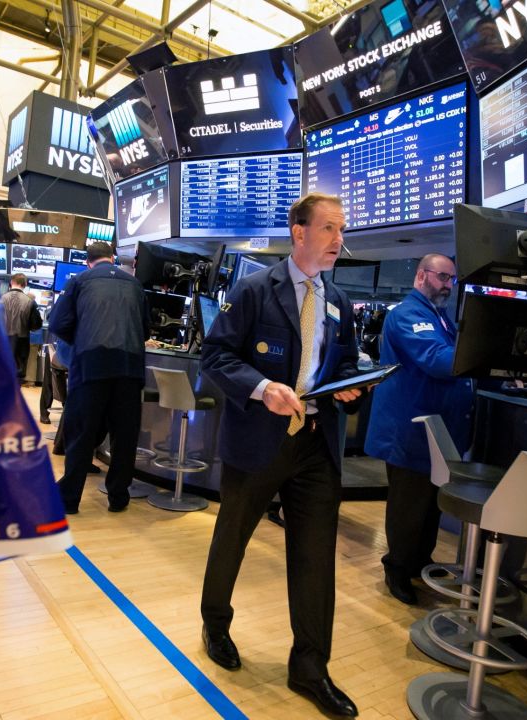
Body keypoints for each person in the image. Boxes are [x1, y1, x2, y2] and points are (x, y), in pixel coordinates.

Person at [199, 192, 363, 718]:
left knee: (316, 557)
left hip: (316, 443)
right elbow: (216, 356)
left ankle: (310, 667)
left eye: (342, 230)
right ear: (300, 232)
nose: (340, 240)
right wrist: (262, 386)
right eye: (331, 229)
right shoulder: (253, 290)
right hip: (260, 440)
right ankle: (215, 623)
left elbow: (347, 364)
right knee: (234, 538)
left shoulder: (338, 300)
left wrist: (350, 386)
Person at [364, 254, 475, 604]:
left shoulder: (439, 317)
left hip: (436, 432)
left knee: (430, 505)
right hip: (411, 429)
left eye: (451, 279)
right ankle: (396, 568)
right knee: (408, 507)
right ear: (421, 276)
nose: (447, 285)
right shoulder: (408, 314)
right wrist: (480, 356)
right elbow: (437, 360)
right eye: (442, 277)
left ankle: (419, 562)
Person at [47, 241, 150, 514]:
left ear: (87, 261)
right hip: (129, 368)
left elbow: (58, 324)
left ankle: (69, 499)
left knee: (81, 433)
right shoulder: (135, 285)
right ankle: (118, 498)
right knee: (124, 436)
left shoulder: (80, 281)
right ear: (113, 258)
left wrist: (81, 342)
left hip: (91, 366)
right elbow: (146, 330)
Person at [1, 272, 42, 386]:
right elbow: (36, 326)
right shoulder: (30, 302)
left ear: (11, 282)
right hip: (21, 344)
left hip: (2, 342)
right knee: (17, 379)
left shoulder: (0, 299)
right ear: (25, 284)